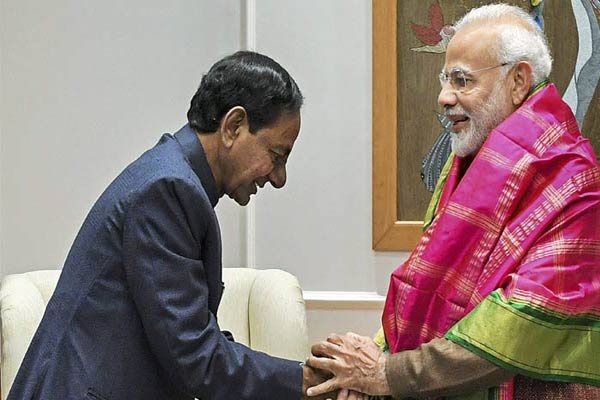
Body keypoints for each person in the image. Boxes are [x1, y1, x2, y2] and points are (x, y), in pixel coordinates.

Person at [306, 4, 600, 400]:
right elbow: (423, 274)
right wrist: (377, 354)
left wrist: (388, 373)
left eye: (462, 81)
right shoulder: (466, 161)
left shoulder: (574, 179)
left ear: (518, 81)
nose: (444, 97)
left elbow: (522, 318)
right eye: (445, 80)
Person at [7, 50, 320, 400]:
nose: (279, 178)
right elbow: (195, 357)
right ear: (233, 126)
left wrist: (299, 377)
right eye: (276, 156)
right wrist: (304, 381)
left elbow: (188, 340)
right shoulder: (168, 190)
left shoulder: (173, 177)